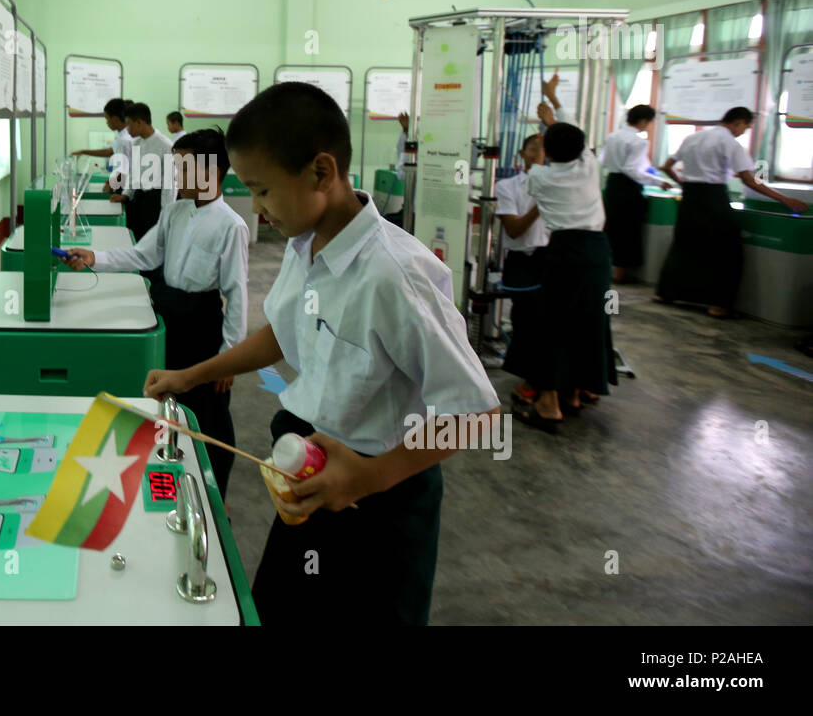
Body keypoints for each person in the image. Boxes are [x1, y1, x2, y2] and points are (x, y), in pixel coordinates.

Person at [142, 82, 500, 626]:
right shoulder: (304, 244)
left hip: (381, 503)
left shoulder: (395, 274)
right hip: (312, 473)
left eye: (262, 191)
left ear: (321, 172)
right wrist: (192, 374)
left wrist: (367, 477)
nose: (257, 210)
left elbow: (477, 415)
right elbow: (283, 334)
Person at [65, 129, 248, 497]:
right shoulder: (175, 211)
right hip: (168, 315)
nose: (176, 177)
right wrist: (95, 257)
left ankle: (212, 493)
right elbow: (145, 255)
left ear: (212, 173)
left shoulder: (231, 225)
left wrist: (228, 356)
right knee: (166, 398)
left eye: (184, 168)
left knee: (207, 415)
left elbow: (237, 294)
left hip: (202, 324)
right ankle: (168, 474)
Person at [521, 75, 618, 430]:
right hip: (597, 252)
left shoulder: (538, 178)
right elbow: (573, 132)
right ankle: (574, 393)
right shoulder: (590, 167)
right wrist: (553, 104)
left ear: (545, 148)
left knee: (552, 325)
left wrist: (547, 128)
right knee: (589, 320)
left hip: (563, 252)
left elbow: (557, 146)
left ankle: (549, 403)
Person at [655, 107, 806, 317]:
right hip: (713, 198)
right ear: (738, 122)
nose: (744, 131)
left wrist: (682, 183)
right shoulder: (730, 143)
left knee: (684, 245)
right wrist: (784, 198)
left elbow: (666, 166)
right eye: (746, 126)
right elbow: (748, 180)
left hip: (690, 198)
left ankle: (665, 294)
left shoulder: (692, 138)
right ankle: (718, 305)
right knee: (727, 251)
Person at [495, 132, 550, 410]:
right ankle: (531, 381)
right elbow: (514, 230)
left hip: (550, 259)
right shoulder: (507, 186)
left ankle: (546, 383)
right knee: (527, 320)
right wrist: (540, 206)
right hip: (523, 262)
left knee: (549, 323)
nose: (539, 153)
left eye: (544, 149)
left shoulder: (558, 184)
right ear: (522, 154)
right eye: (533, 148)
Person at [601, 104, 673, 283]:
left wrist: (647, 170)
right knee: (627, 230)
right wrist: (659, 181)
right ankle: (619, 273)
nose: (649, 126)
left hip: (612, 185)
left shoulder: (612, 136)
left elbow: (603, 160)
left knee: (612, 227)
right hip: (628, 188)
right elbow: (632, 170)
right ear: (643, 121)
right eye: (650, 122)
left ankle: (607, 267)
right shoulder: (639, 141)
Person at [114, 102, 174, 242]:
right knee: (135, 239)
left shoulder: (165, 145)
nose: (127, 129)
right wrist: (126, 194)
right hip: (138, 198)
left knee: (153, 242)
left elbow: (170, 183)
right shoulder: (137, 143)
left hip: (155, 201)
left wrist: (166, 212)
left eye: (129, 124)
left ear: (140, 122)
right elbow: (133, 172)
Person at [69, 98, 133, 193]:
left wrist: (111, 185)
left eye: (107, 119)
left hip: (125, 186)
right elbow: (110, 151)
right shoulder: (124, 135)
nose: (107, 122)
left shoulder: (124, 139)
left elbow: (123, 170)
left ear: (115, 119)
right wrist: (83, 151)